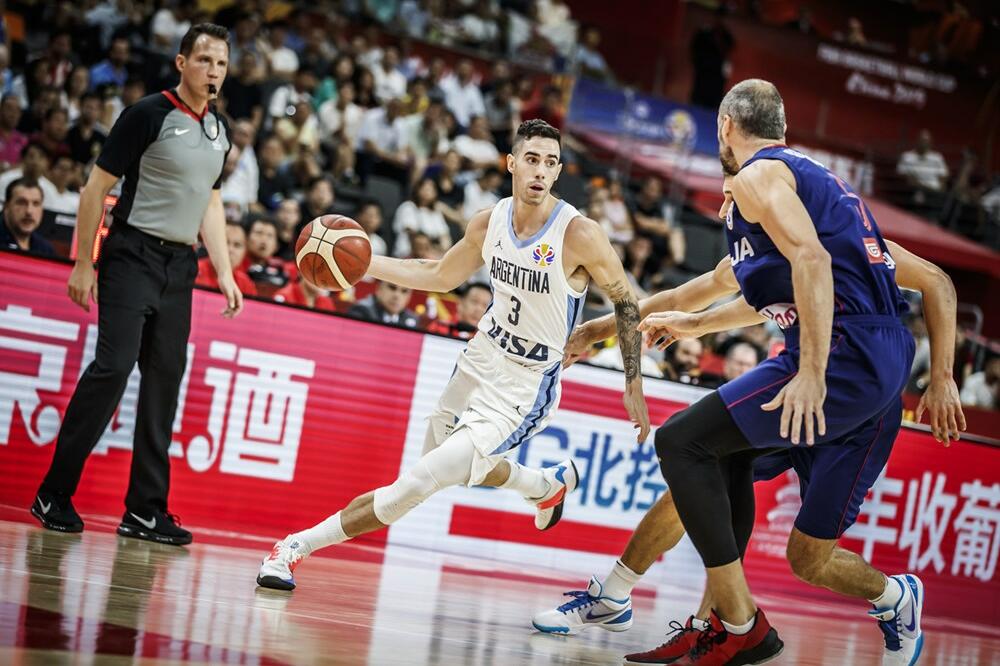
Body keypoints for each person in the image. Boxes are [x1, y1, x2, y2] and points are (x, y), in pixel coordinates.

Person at [539, 222, 964, 666]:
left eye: (736, 193)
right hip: (797, 384)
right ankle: (626, 598)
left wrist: (942, 377)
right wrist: (596, 330)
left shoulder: (843, 239)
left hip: (857, 403)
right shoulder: (749, 252)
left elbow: (937, 281)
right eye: (727, 194)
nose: (729, 206)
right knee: (698, 466)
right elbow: (682, 296)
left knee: (809, 560)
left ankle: (894, 595)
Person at [256, 119, 650, 591]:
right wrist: (362, 265)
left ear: (559, 170)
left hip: (524, 385)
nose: (540, 171)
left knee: (416, 484)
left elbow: (627, 302)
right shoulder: (488, 221)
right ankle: (544, 485)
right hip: (479, 357)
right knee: (445, 469)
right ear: (511, 164)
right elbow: (440, 275)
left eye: (550, 162)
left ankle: (293, 547)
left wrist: (632, 382)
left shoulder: (579, 234)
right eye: (531, 159)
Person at [624, 79, 941, 664]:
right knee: (798, 546)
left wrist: (815, 371)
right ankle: (879, 598)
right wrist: (681, 324)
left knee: (685, 443)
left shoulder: (763, 180)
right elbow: (731, 291)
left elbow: (825, 262)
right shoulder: (808, 194)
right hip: (869, 360)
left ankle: (724, 618)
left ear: (725, 127)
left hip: (845, 355)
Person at [31, 24, 243, 547]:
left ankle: (145, 510)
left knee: (164, 383)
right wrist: (84, 264)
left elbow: (210, 200)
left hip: (180, 268)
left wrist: (223, 270)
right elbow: (95, 188)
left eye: (221, 63)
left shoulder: (221, 130)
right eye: (204, 60)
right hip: (131, 255)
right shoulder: (147, 114)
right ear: (181, 63)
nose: (213, 71)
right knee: (113, 368)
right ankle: (53, 493)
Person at [0, 178, 54, 256]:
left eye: (36, 204)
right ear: (6, 206)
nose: (29, 211)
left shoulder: (45, 249)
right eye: (21, 203)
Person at [424, 281, 492, 339]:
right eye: (474, 301)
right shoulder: (439, 327)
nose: (479, 309)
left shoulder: (488, 340)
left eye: (485, 305)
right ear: (461, 303)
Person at [346, 279, 420, 328]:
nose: (397, 295)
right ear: (379, 288)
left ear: (409, 297)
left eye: (404, 291)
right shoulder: (361, 311)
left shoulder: (412, 319)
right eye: (392, 287)